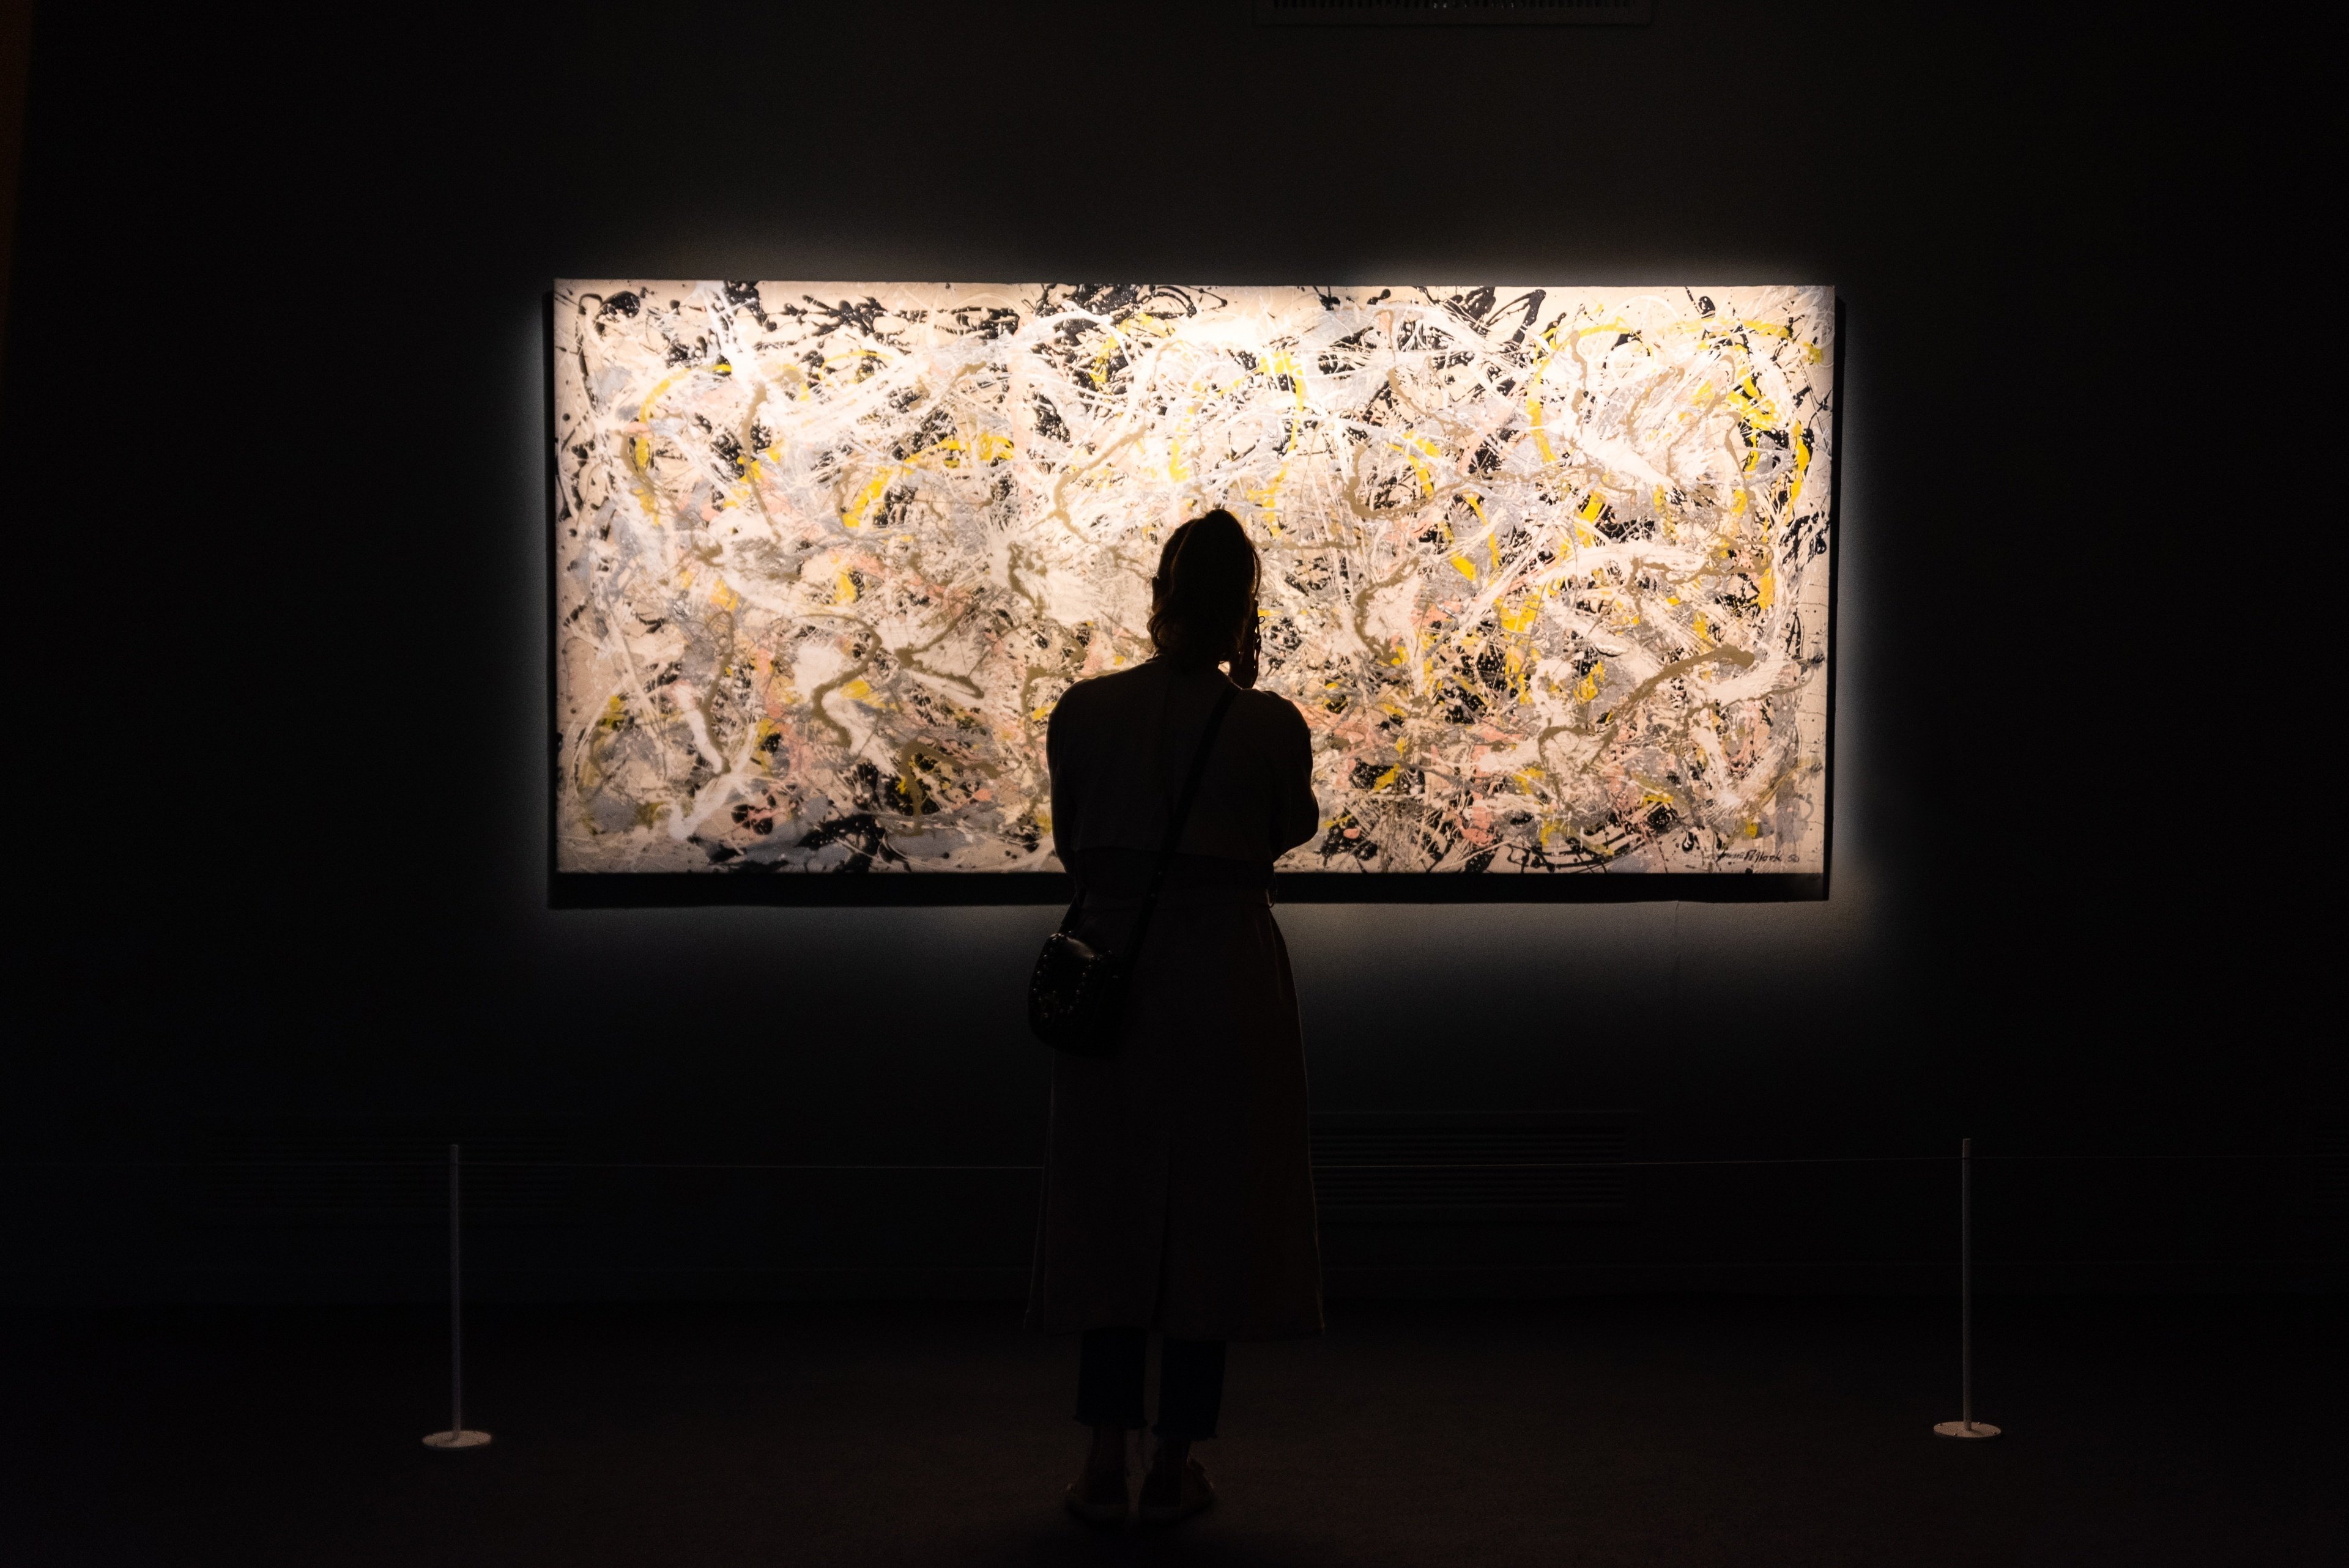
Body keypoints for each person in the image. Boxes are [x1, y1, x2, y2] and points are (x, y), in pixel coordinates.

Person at [1027, 508, 1324, 1528]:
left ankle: (1102, 1459)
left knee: (1110, 1218)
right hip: (1227, 981)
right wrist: (1241, 686)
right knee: (1211, 1224)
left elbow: (1075, 840)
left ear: (1156, 597)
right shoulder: (1267, 723)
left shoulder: (1083, 710)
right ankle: (1176, 1465)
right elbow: (1287, 829)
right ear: (1248, 606)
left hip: (1115, 969)